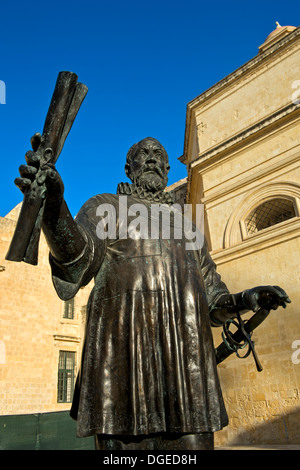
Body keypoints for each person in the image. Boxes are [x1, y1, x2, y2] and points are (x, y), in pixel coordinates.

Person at [15, 136, 291, 450]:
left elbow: (213, 299)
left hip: (187, 373)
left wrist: (245, 300)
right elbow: (79, 259)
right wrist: (53, 206)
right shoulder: (105, 206)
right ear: (127, 167)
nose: (150, 157)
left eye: (158, 153)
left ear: (168, 168)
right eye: (142, 153)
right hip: (123, 367)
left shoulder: (189, 228)